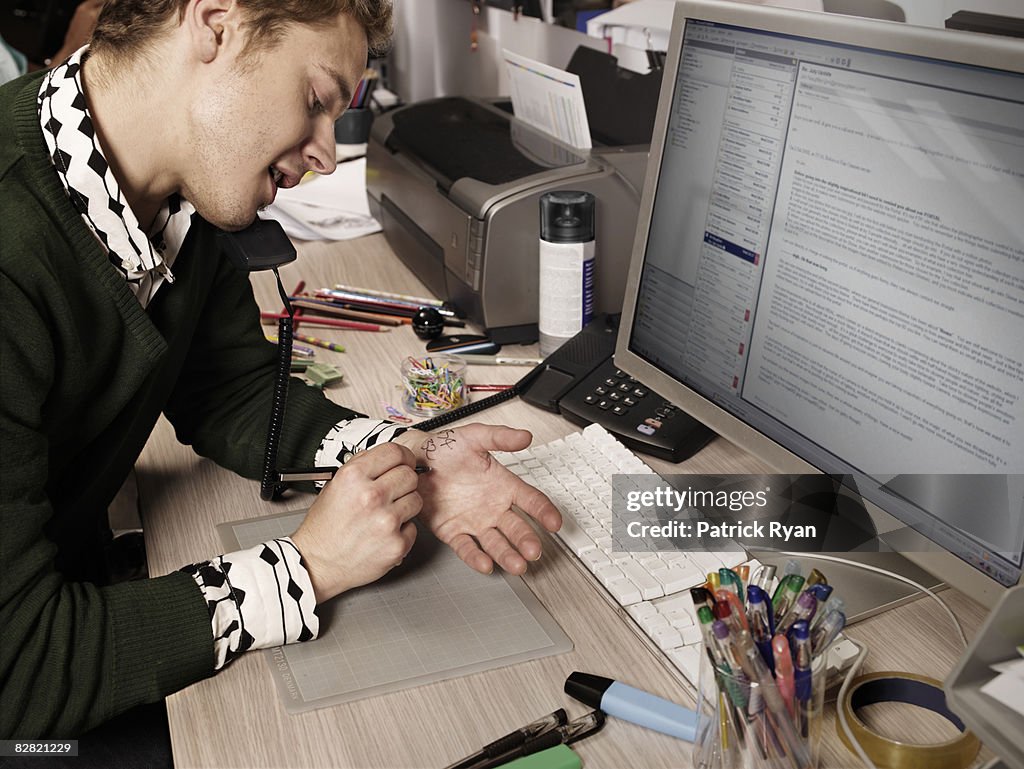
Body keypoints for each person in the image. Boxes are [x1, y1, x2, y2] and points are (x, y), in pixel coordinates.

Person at [0, 0, 562, 751]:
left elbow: (229, 388)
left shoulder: (176, 199)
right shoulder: (12, 245)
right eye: (315, 100)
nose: (327, 153)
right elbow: (21, 668)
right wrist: (308, 567)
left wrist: (404, 457)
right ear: (215, 21)